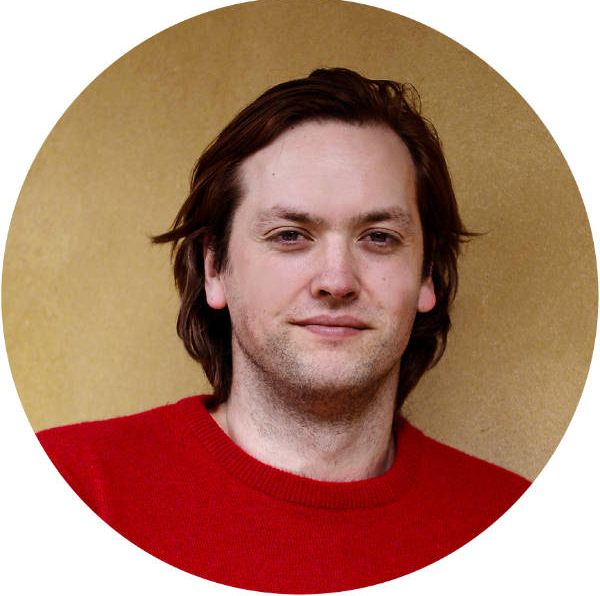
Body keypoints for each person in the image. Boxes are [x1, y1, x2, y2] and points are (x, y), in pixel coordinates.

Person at [37, 68, 529, 593]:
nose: (337, 281)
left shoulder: (518, 529)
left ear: (426, 275)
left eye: (380, 238)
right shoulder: (60, 491)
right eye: (291, 235)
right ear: (214, 269)